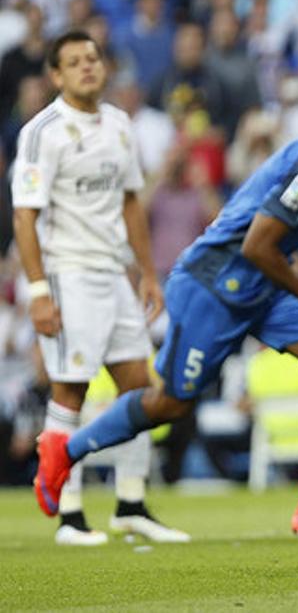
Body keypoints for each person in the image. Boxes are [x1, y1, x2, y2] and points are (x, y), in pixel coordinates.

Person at [32, 71, 298, 539]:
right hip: (214, 286)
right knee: (169, 404)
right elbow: (258, 246)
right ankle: (66, 450)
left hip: (262, 287)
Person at [12, 30, 189, 546]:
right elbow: (25, 218)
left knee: (140, 386)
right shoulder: (42, 132)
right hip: (68, 272)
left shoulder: (118, 124)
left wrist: (148, 272)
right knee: (72, 386)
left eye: (92, 58)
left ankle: (130, 502)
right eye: (74, 61)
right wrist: (39, 289)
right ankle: (68, 514)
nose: (87, 67)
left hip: (115, 273)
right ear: (56, 75)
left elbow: (131, 201)